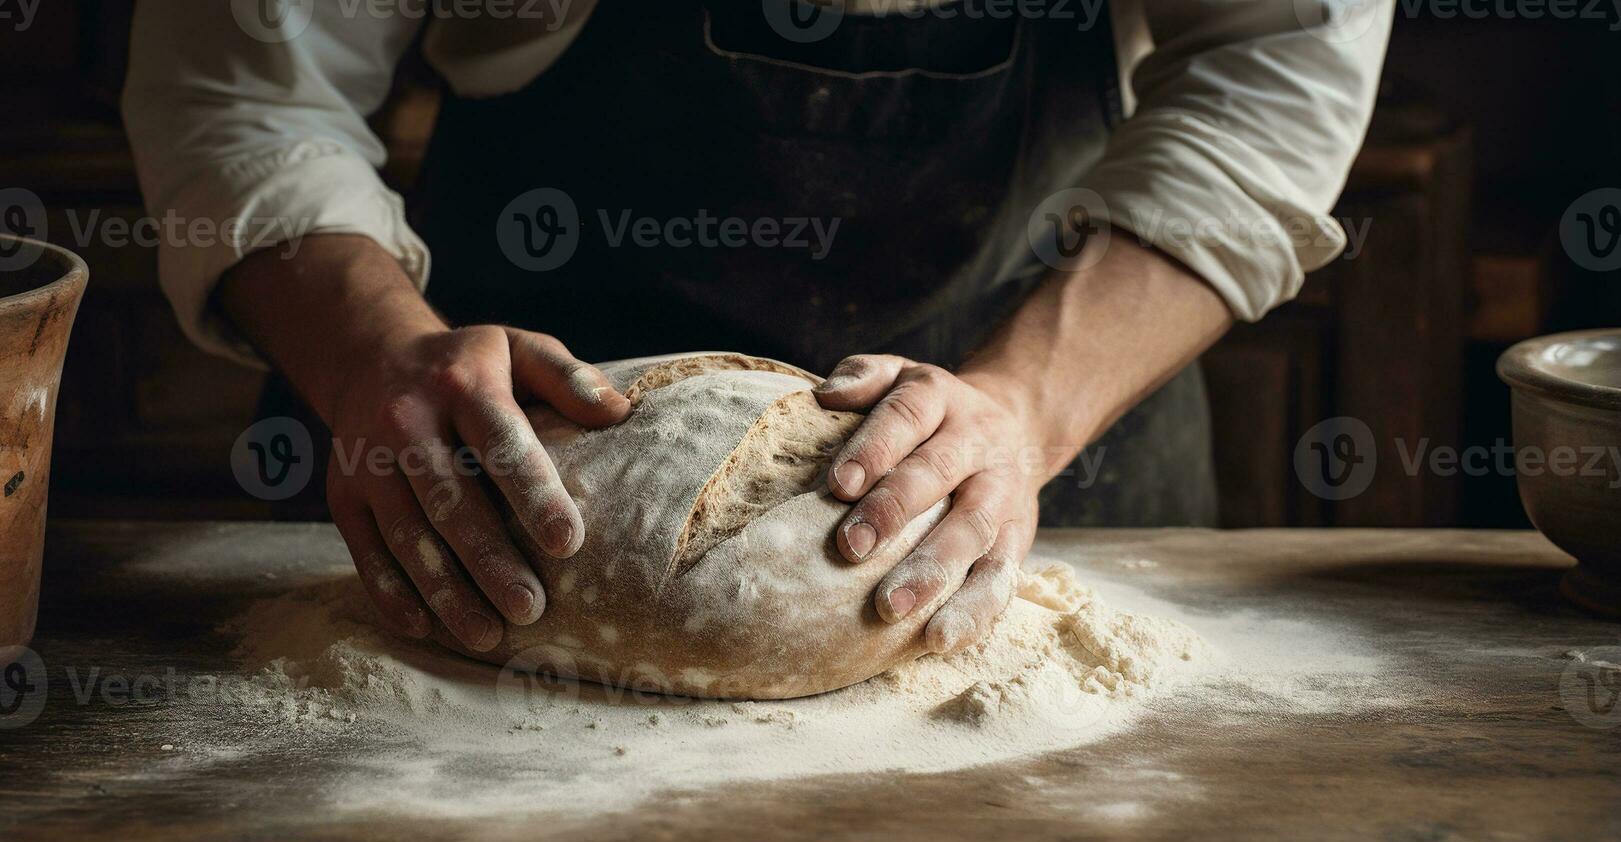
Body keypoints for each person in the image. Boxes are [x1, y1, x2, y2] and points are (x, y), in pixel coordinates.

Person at [123, 0, 1392, 654]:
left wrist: (1026, 405)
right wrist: (370, 355)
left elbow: (1275, 65)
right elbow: (248, 88)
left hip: (1055, 450)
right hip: (479, 486)